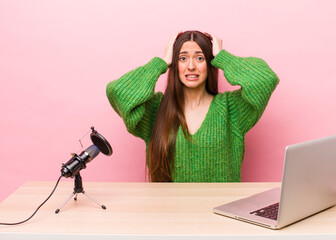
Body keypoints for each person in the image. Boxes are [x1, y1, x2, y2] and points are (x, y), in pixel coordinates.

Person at [106, 31, 279, 182]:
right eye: (182, 58)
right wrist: (161, 62)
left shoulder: (231, 109)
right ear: (175, 64)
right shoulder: (155, 110)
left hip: (221, 214)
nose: (191, 66)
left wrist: (223, 57)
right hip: (168, 214)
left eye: (200, 58)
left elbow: (265, 80)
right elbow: (117, 91)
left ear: (210, 63)